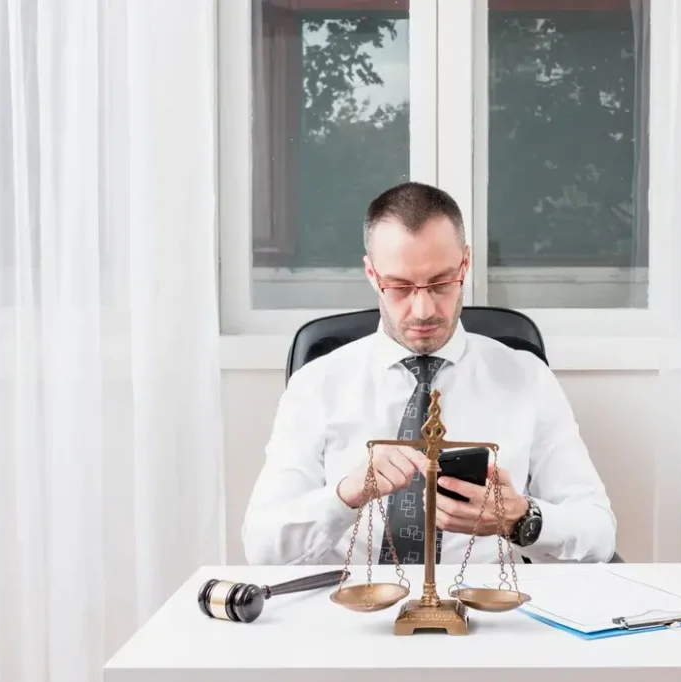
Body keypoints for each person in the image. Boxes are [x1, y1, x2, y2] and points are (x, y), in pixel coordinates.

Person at [242, 182, 617, 567]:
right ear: (372, 274)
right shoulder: (316, 385)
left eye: (440, 283)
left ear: (465, 265)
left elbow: (599, 534)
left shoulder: (528, 379)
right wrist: (345, 495)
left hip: (487, 609)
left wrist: (520, 519)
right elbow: (262, 547)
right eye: (400, 287)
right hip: (356, 609)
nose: (422, 310)